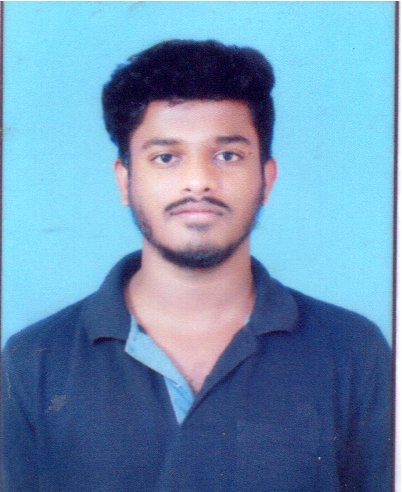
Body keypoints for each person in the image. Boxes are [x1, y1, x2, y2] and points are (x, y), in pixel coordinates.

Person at [2, 39, 391, 491]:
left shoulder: (353, 351)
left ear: (267, 179)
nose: (199, 182)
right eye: (166, 157)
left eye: (228, 155)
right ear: (125, 181)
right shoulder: (34, 361)